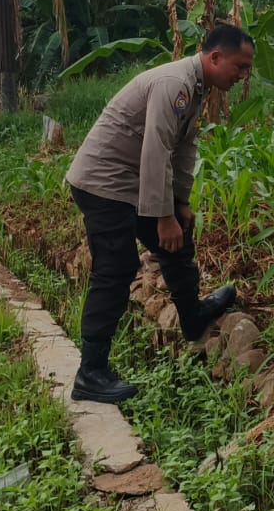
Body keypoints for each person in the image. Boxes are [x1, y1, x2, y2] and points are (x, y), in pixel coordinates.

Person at [64, 24, 254, 404]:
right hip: (103, 182)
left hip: (130, 183)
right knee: (115, 269)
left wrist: (179, 204)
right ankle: (91, 373)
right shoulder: (175, 85)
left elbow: (183, 149)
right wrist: (162, 217)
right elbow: (155, 150)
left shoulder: (197, 87)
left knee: (178, 236)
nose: (242, 75)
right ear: (216, 57)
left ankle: (192, 316)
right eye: (240, 66)